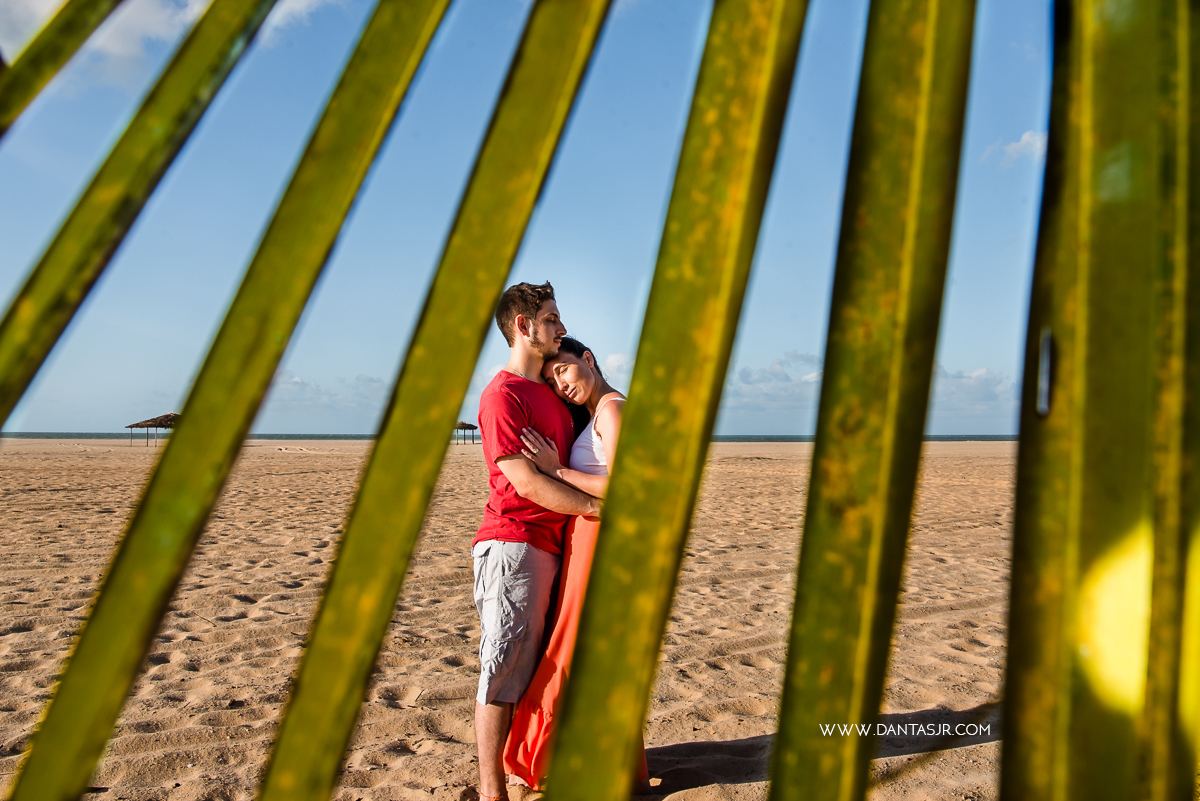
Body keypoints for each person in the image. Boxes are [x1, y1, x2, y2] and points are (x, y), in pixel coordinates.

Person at [502, 336, 650, 793]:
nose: (560, 384)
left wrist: (556, 470)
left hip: (601, 536)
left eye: (563, 370)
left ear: (587, 359)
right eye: (551, 380)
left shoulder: (612, 410)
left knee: (570, 646)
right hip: (586, 534)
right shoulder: (596, 414)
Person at [473, 284, 601, 801]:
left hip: (554, 547)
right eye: (551, 319)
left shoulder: (549, 393)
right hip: (514, 544)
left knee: (535, 668)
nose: (560, 328)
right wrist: (597, 509)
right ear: (523, 327)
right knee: (502, 669)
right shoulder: (501, 395)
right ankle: (490, 790)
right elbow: (526, 482)